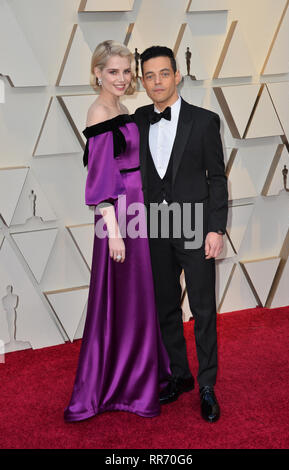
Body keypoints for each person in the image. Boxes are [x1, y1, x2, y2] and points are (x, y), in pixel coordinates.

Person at [64, 40, 170, 422]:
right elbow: (99, 180)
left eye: (127, 71)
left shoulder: (120, 107)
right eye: (113, 72)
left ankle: (137, 380)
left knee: (135, 297)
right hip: (118, 216)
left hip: (136, 210)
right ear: (97, 73)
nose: (122, 78)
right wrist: (112, 231)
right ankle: (118, 387)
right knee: (118, 297)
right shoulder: (98, 112)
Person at [133, 46, 228, 423]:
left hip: (195, 225)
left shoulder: (205, 121)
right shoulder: (138, 120)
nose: (157, 82)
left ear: (177, 76)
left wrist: (216, 228)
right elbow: (105, 154)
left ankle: (207, 384)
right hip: (154, 228)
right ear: (143, 81)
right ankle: (180, 375)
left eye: (164, 74)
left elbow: (217, 179)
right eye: (150, 76)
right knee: (164, 307)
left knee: (203, 310)